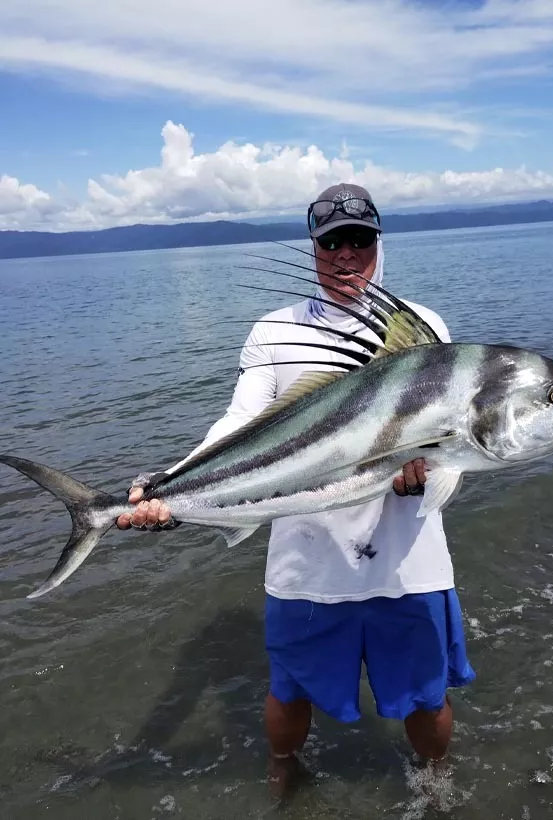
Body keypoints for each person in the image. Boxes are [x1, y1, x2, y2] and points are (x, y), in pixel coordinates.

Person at [117, 183, 475, 792]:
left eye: (359, 240)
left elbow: (452, 442)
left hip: (408, 560)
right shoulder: (274, 331)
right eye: (331, 241)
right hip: (308, 557)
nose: (345, 254)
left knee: (426, 698)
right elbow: (238, 424)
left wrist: (430, 478)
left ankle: (437, 786)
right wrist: (170, 488)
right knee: (290, 694)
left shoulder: (423, 329)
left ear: (379, 243)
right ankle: (284, 776)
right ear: (313, 248)